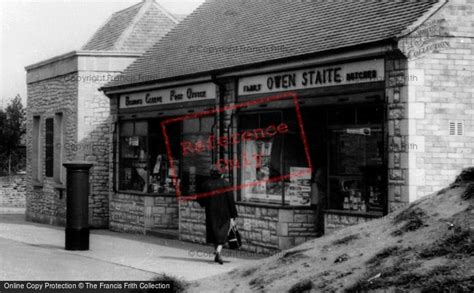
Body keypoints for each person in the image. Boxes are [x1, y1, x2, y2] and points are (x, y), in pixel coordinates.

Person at [198, 165, 238, 264]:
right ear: (221, 173)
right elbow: (230, 200)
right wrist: (233, 215)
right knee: (223, 234)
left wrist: (205, 204)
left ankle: (217, 252)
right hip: (224, 213)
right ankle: (218, 252)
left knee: (214, 234)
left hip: (211, 213)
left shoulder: (205, 184)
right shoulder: (226, 184)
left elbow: (200, 199)